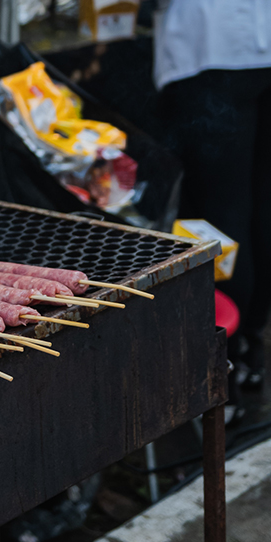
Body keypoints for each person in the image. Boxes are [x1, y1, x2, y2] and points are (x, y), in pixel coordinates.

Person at [154, 0, 271, 392]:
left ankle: (225, 362)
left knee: (221, 213)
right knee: (259, 204)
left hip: (210, 50)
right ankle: (251, 346)